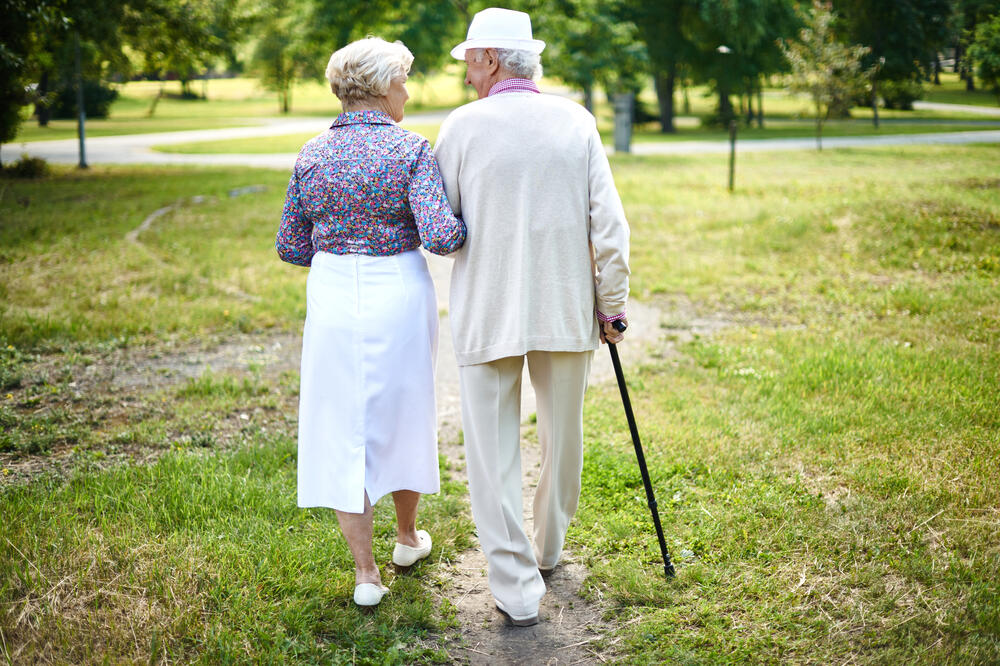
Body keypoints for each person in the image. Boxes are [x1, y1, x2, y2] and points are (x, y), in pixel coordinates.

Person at [434, 8, 630, 626]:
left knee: (492, 453)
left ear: (490, 59)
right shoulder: (577, 121)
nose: (466, 74)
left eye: (469, 60)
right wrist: (613, 304)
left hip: (488, 309)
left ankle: (516, 586)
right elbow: (611, 228)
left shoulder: (461, 128)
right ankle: (547, 549)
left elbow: (442, 230)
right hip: (563, 305)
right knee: (561, 437)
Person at [276, 36, 466, 608]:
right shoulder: (410, 149)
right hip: (398, 292)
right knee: (404, 409)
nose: (407, 90)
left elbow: (290, 244)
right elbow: (439, 235)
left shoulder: (310, 152)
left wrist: (341, 250)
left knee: (340, 420)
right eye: (404, 81)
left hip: (333, 293)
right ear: (384, 88)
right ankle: (406, 538)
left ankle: (366, 574)